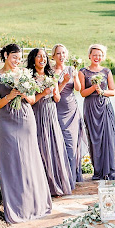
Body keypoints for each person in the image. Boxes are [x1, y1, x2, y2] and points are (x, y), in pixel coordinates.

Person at [0, 43, 52, 223]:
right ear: (6, 55)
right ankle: (16, 206)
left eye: (19, 58)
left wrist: (23, 93)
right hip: (6, 122)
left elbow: (32, 100)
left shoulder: (24, 74)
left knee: (29, 159)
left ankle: (34, 204)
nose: (17, 61)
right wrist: (9, 96)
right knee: (11, 161)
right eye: (14, 57)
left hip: (25, 119)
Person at [27, 48, 75, 196]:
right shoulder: (29, 77)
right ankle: (43, 185)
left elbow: (57, 98)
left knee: (55, 145)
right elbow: (31, 101)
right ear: (33, 59)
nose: (42, 59)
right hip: (37, 113)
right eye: (39, 56)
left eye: (44, 57)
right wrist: (43, 93)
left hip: (51, 112)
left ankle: (57, 183)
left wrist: (57, 88)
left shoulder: (51, 75)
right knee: (41, 146)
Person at [79, 44, 115, 180]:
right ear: (89, 56)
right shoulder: (83, 72)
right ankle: (98, 171)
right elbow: (83, 93)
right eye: (94, 54)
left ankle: (110, 170)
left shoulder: (107, 71)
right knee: (94, 139)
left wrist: (102, 91)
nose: (97, 57)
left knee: (108, 137)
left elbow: (113, 91)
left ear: (102, 57)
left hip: (105, 106)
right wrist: (93, 88)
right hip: (90, 107)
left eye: (99, 55)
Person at [52, 44, 86, 183]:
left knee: (73, 145)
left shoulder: (71, 69)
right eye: (58, 53)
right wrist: (64, 81)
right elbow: (55, 94)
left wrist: (75, 76)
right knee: (62, 144)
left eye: (63, 53)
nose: (61, 56)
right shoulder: (51, 72)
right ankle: (62, 178)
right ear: (53, 56)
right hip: (58, 110)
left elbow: (78, 88)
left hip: (72, 110)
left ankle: (72, 177)